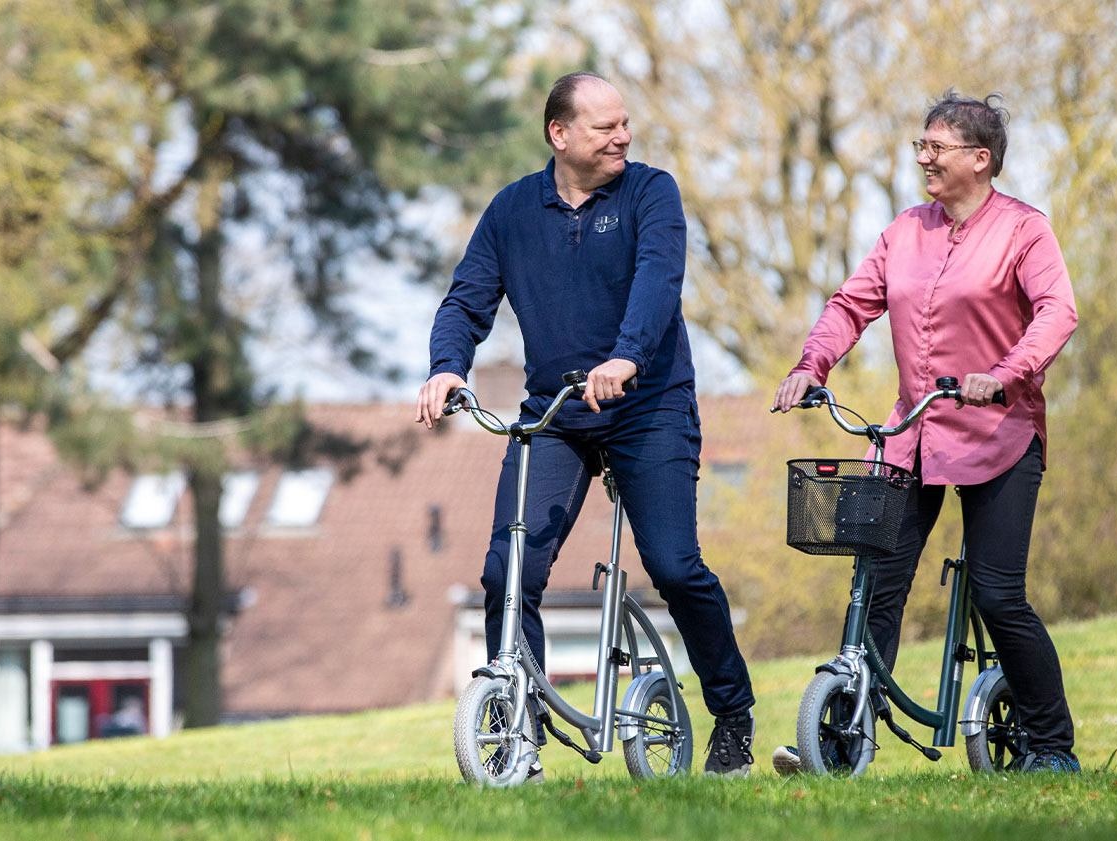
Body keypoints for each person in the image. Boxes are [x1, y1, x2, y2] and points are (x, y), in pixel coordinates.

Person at [416, 71, 757, 777]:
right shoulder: (512, 210)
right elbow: (466, 300)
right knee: (507, 572)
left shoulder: (649, 192)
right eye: (605, 127)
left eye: (624, 123)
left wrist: (626, 357)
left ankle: (732, 713)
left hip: (648, 405)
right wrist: (446, 366)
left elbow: (658, 281)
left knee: (672, 564)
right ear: (559, 134)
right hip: (555, 415)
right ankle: (519, 734)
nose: (622, 137)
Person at [770, 91, 1080, 774]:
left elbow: (1057, 312)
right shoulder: (905, 230)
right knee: (874, 583)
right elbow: (851, 304)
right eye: (919, 146)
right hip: (909, 436)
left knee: (999, 594)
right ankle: (846, 735)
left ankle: (1052, 745)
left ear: (980, 157)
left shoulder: (1023, 230)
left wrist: (1003, 373)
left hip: (1000, 432)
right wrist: (808, 364)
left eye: (933, 147)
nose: (921, 158)